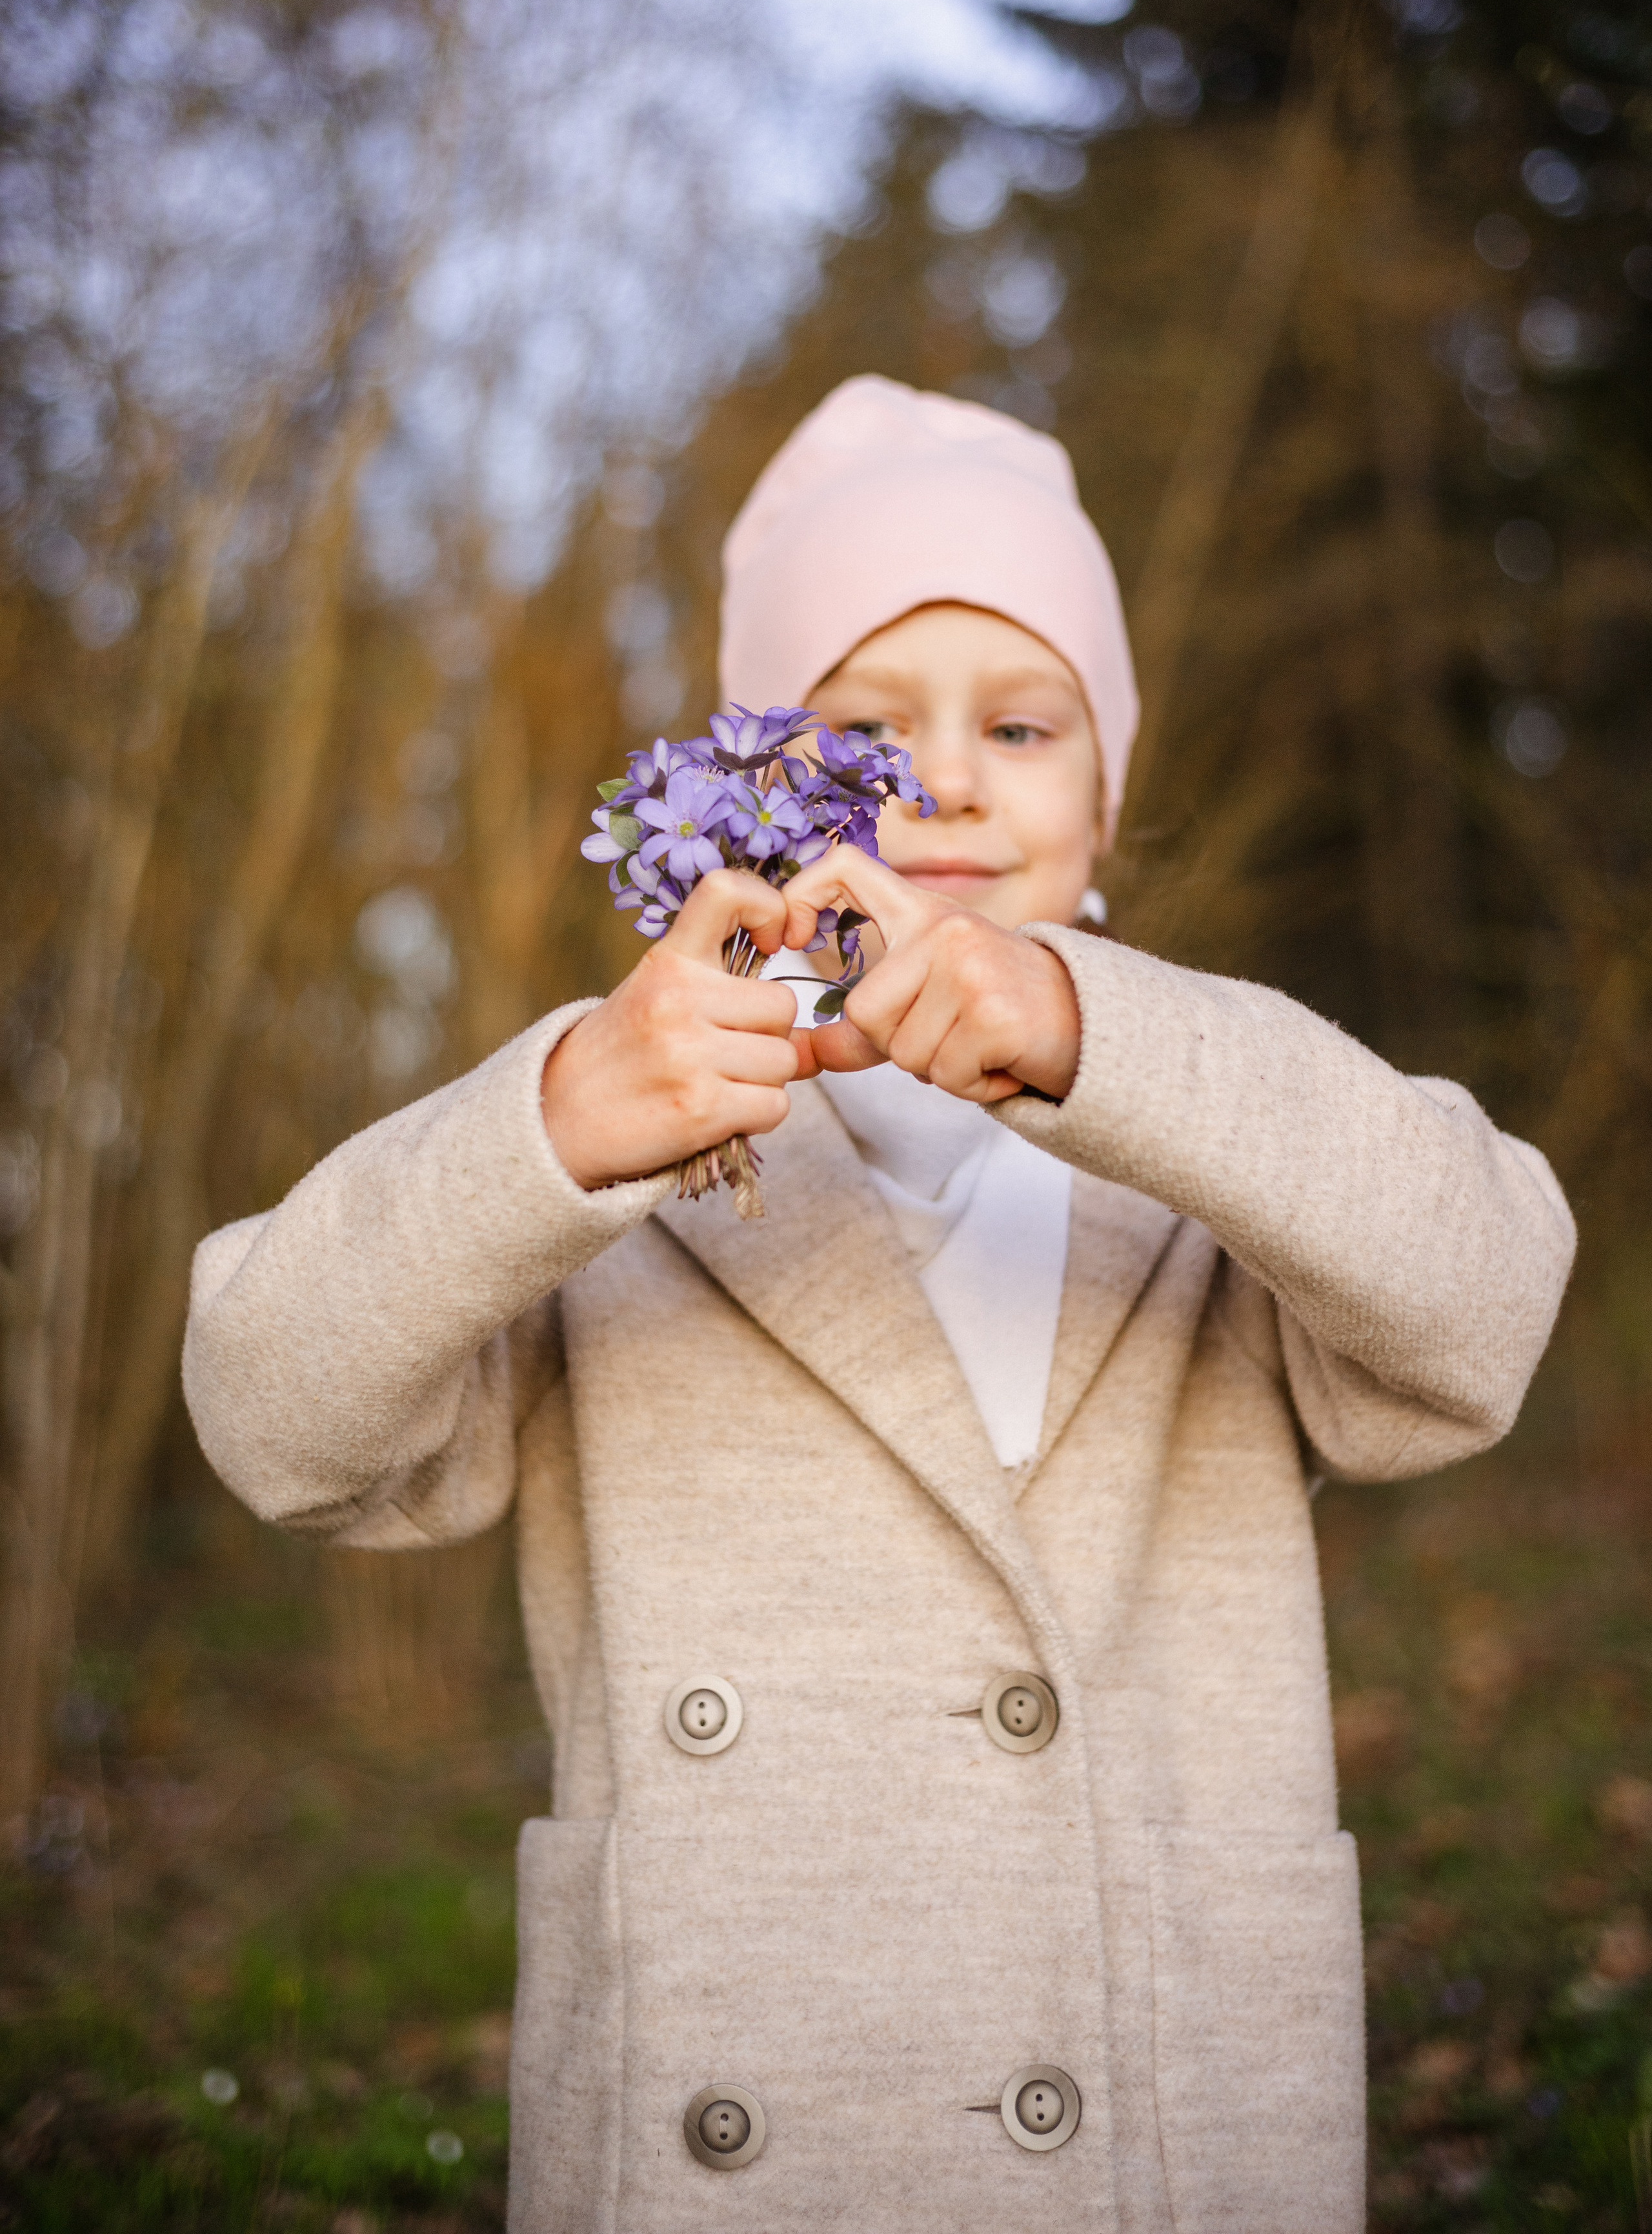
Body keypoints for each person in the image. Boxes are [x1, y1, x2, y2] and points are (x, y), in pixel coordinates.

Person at [183, 376, 1575, 2234]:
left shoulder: (1222, 1123)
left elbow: (1481, 1309)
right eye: (864, 725)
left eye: (1022, 722)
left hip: (1161, 2126)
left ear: (1108, 791)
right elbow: (279, 1423)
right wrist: (551, 1129)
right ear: (762, 776)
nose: (944, 782)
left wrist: (1099, 1035)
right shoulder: (614, 1137)